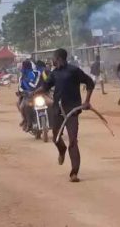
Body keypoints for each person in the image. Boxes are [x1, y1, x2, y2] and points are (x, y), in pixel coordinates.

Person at [34, 48, 94, 183]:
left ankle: (74, 173)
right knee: (55, 138)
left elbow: (90, 83)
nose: (52, 61)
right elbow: (45, 86)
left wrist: (87, 101)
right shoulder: (54, 74)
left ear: (59, 58)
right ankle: (62, 150)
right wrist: (35, 92)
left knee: (73, 140)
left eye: (53, 58)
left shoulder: (74, 71)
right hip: (58, 110)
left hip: (72, 110)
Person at [18, 60, 40, 131]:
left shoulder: (36, 73)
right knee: (23, 106)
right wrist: (22, 92)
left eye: (24, 66)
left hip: (39, 93)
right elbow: (20, 87)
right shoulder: (22, 76)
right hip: (27, 95)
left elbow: (39, 83)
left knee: (51, 103)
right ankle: (27, 122)